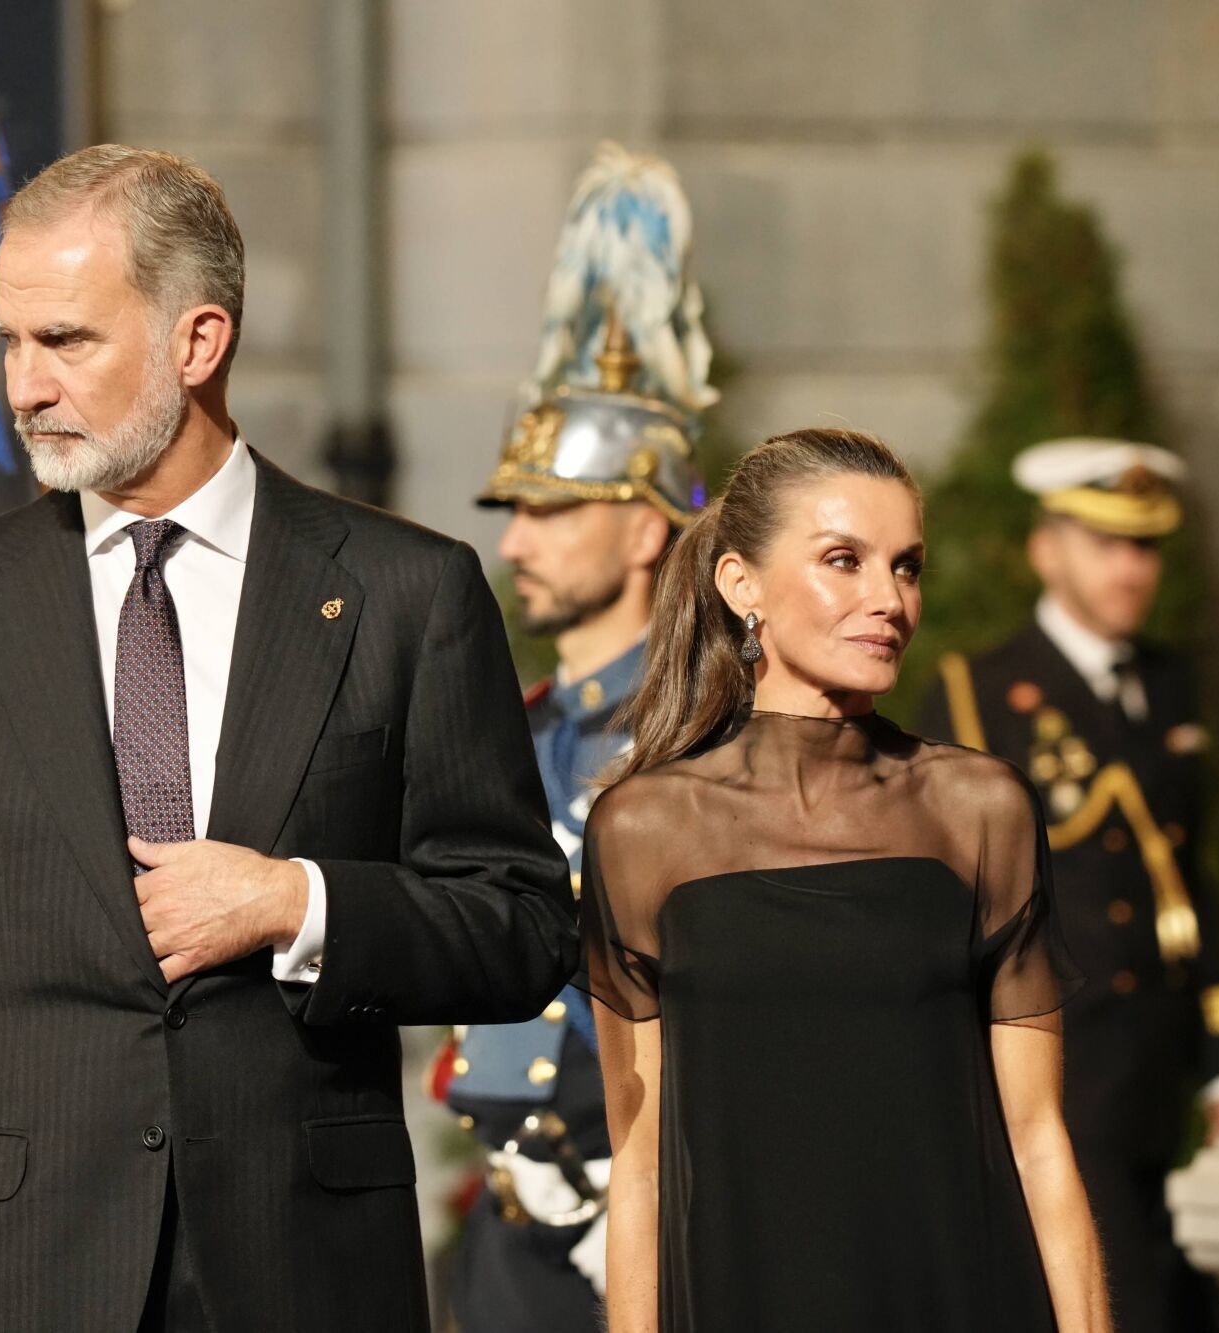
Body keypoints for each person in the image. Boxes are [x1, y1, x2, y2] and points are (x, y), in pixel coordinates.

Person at [0, 145, 574, 1333]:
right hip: (7, 1274)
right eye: (10, 341)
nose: (23, 387)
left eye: (66, 341)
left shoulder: (407, 592)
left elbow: (519, 925)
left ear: (198, 342)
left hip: (299, 1272)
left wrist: (296, 904)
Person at [582, 427, 1109, 1332]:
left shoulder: (977, 808)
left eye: (906, 567)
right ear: (741, 585)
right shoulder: (645, 829)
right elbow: (641, 1158)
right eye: (844, 560)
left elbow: (1039, 1139)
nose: (888, 600)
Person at [442, 143, 711, 1333]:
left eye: (552, 511)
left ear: (646, 529)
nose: (516, 543)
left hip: (650, 1219)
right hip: (508, 1220)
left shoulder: (707, 732)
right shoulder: (521, 721)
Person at [917, 437, 1219, 1333]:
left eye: (1144, 546)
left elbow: (1193, 874)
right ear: (1045, 548)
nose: (1130, 567)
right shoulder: (975, 694)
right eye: (1105, 542)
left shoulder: (1172, 685)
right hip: (1055, 1059)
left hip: (1163, 1066)